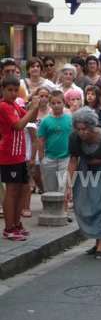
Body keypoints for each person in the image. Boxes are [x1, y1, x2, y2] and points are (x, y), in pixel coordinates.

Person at [67, 108, 101, 259]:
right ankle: (96, 239)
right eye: (78, 129)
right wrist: (69, 184)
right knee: (86, 203)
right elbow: (73, 161)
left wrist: (100, 160)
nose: (82, 132)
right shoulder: (74, 138)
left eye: (85, 129)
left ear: (91, 126)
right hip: (86, 167)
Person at [0, 76, 40, 241]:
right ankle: (9, 228)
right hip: (9, 155)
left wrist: (35, 106)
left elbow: (31, 118)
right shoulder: (3, 106)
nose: (13, 93)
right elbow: (18, 125)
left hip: (19, 155)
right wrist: (32, 109)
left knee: (20, 191)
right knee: (11, 191)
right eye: (10, 90)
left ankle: (16, 224)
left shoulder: (15, 105)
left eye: (16, 90)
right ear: (3, 90)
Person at [37, 90, 72, 218]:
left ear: (64, 103)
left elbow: (73, 137)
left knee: (63, 186)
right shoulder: (46, 121)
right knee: (50, 187)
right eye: (53, 103)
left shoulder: (70, 119)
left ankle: (64, 211)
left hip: (66, 158)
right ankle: (51, 211)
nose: (56, 105)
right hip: (50, 157)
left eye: (59, 102)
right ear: (50, 104)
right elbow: (40, 140)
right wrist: (41, 157)